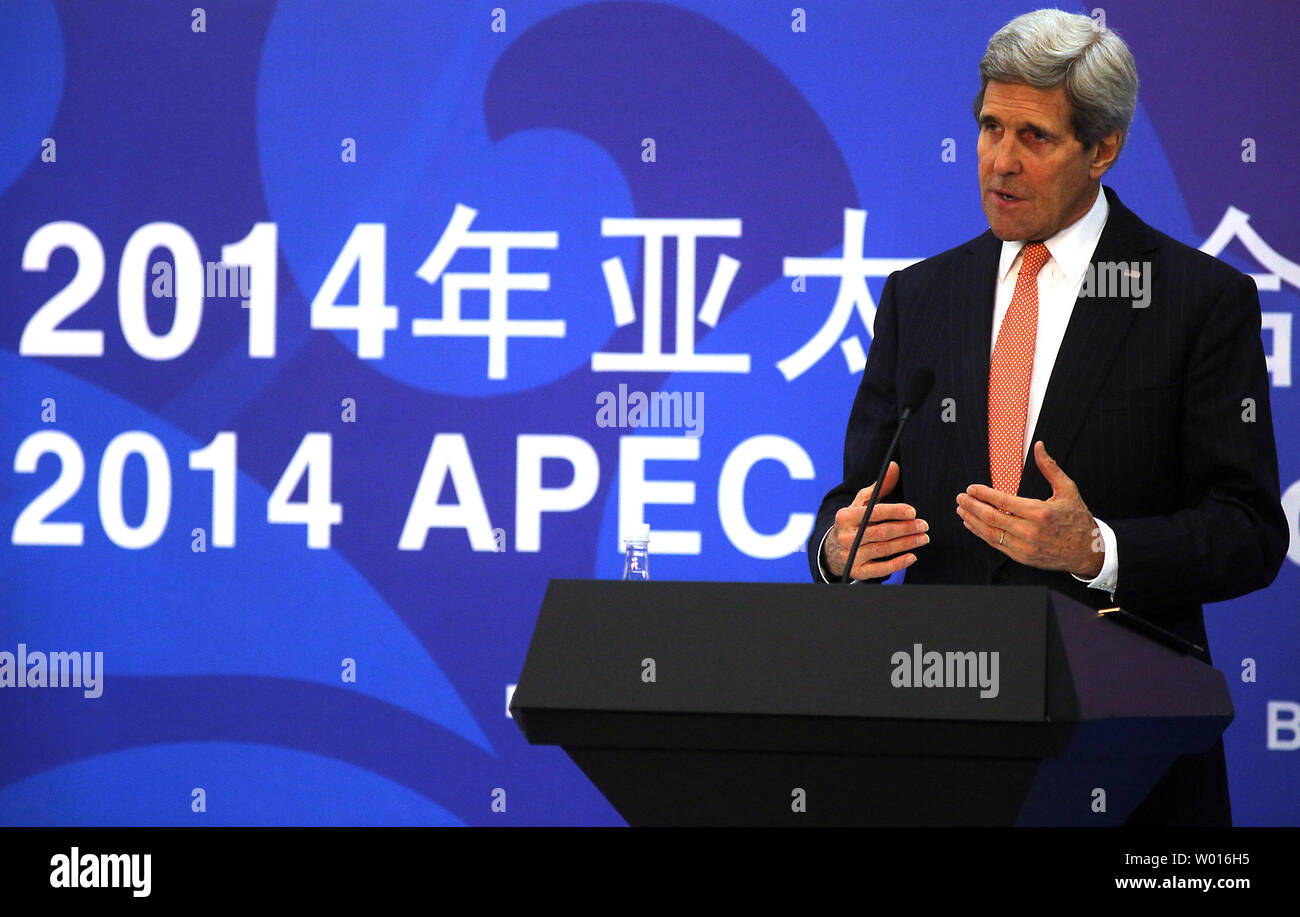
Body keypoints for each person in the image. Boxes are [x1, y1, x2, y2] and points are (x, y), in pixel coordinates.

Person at [807, 8, 1288, 826]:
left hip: (1125, 752)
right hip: (937, 744)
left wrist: (1099, 547)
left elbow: (1248, 531)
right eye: (991, 127)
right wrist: (837, 548)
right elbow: (855, 495)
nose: (999, 162)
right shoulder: (920, 298)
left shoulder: (1197, 302)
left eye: (1034, 138)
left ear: (1103, 149)